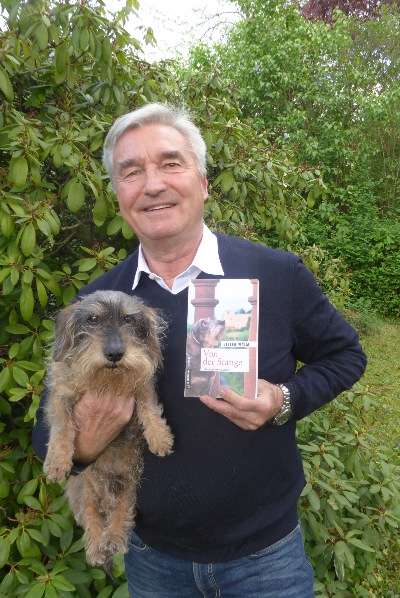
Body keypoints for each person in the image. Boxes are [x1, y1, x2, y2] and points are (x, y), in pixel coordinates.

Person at [32, 103, 367, 597]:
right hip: (152, 559)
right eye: (131, 172)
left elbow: (346, 357)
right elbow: (47, 433)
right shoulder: (97, 304)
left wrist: (283, 400)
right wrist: (84, 442)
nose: (152, 184)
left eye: (170, 163)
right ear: (119, 195)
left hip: (266, 557)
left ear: (204, 182)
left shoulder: (276, 273)